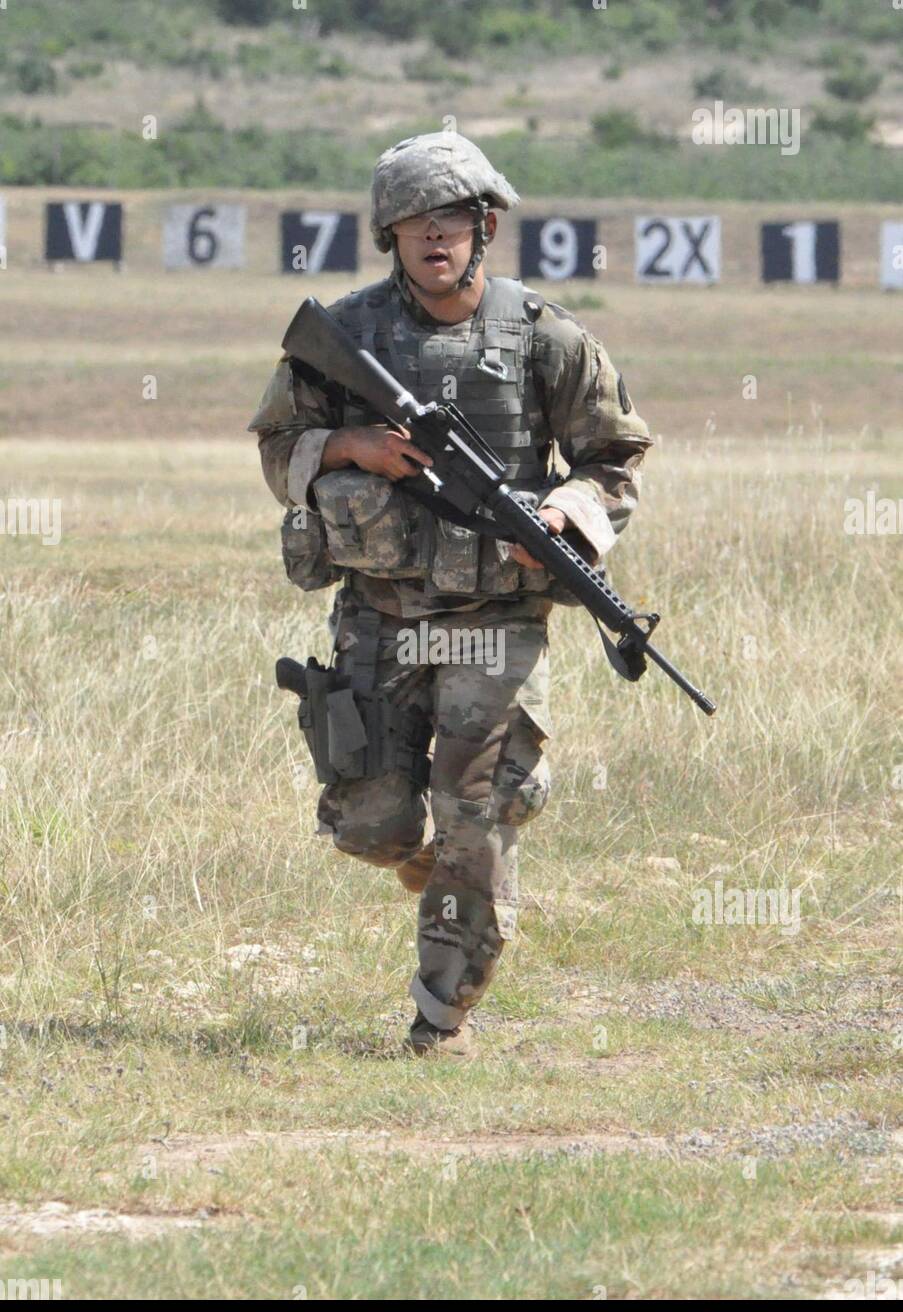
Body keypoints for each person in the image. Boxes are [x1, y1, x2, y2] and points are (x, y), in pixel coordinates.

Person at [249, 131, 652, 1058]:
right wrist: (356, 450)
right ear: (388, 235)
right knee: (368, 823)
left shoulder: (547, 338)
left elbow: (615, 457)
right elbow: (277, 450)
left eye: (451, 222)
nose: (434, 240)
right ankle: (431, 867)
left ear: (486, 227)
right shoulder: (342, 338)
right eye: (412, 225)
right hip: (378, 620)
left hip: (495, 627)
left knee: (476, 819)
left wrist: (566, 511)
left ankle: (439, 1022)